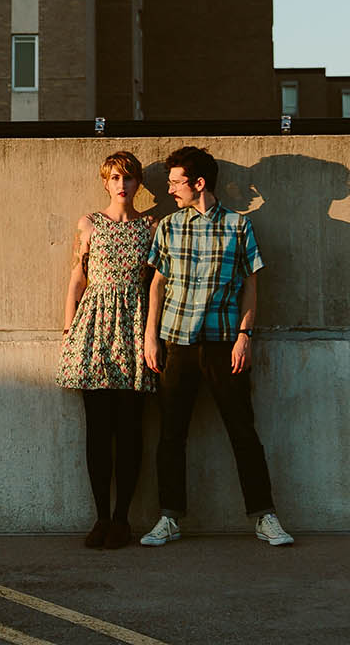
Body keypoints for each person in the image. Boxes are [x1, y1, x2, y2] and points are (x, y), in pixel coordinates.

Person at [139, 145, 294, 547]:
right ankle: (169, 518)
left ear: (199, 183)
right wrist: (149, 337)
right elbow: (157, 284)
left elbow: (250, 286)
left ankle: (265, 517)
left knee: (243, 431)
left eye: (175, 182)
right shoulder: (169, 226)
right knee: (171, 434)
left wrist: (245, 337)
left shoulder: (238, 227)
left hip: (226, 344)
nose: (170, 190)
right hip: (177, 343)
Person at [56, 150, 159, 548]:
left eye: (129, 178)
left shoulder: (150, 226)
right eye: (115, 178)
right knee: (98, 430)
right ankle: (100, 517)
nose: (122, 185)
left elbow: (155, 283)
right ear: (105, 181)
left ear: (137, 184)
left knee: (131, 429)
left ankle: (122, 519)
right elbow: (77, 278)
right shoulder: (89, 224)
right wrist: (68, 330)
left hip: (133, 329)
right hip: (94, 329)